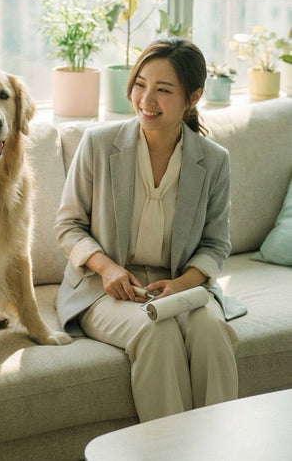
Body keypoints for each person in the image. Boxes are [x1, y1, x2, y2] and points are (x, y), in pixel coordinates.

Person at [55, 37, 241, 422]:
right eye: (140, 84)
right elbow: (68, 225)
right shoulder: (99, 144)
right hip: (103, 289)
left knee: (211, 333)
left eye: (163, 90)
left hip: (180, 288)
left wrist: (183, 283)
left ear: (194, 97)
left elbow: (215, 244)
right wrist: (107, 268)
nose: (145, 99)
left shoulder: (214, 161)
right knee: (157, 333)